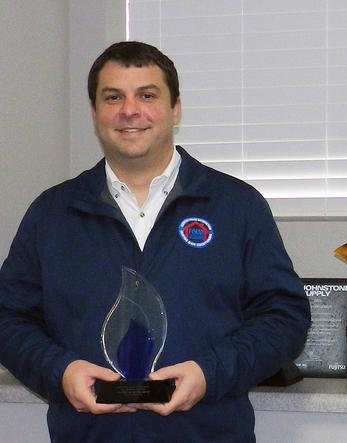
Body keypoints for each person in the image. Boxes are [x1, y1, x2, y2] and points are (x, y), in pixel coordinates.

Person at [0, 41, 311, 442]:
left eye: (147, 95)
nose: (130, 111)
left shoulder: (236, 206)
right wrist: (60, 371)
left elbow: (284, 318)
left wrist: (208, 373)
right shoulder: (53, 213)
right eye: (113, 97)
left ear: (175, 108)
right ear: (95, 112)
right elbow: (8, 319)